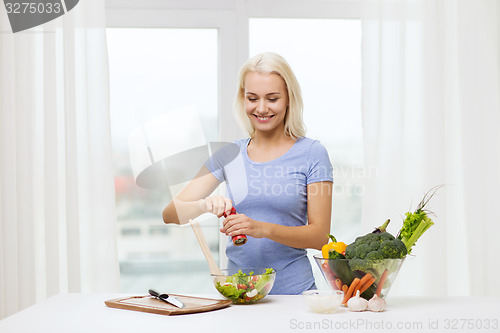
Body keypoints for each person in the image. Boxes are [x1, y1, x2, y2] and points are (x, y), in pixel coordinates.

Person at [162, 52, 333, 294]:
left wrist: (261, 228)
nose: (261, 108)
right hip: (239, 294)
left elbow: (320, 236)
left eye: (272, 98)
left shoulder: (312, 153)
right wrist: (204, 205)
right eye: (252, 98)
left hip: (294, 295)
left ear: (288, 100)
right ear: (243, 99)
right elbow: (170, 214)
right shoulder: (229, 154)